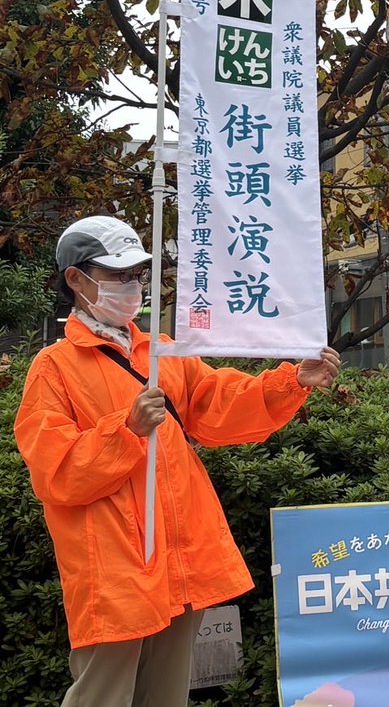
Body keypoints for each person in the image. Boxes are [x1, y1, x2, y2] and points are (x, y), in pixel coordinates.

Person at [14, 215, 341, 707]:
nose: (131, 285)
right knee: (103, 695)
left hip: (180, 558)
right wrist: (127, 430)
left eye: (136, 274)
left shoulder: (161, 352)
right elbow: (55, 471)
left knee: (166, 695)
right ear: (76, 279)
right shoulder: (53, 368)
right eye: (117, 274)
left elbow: (219, 404)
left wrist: (292, 380)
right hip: (114, 568)